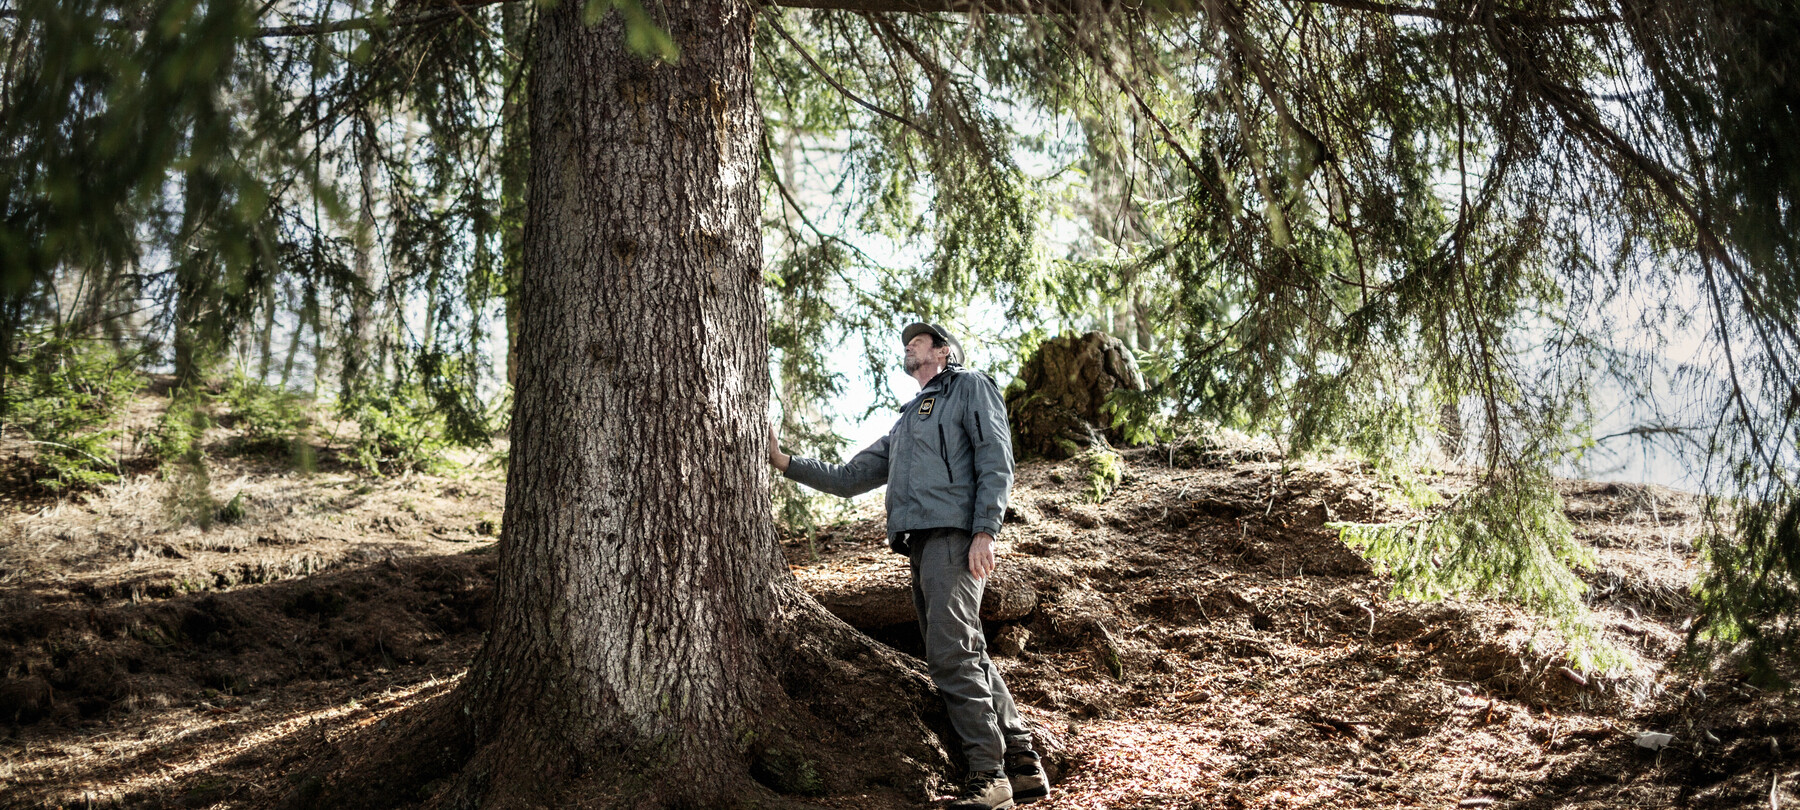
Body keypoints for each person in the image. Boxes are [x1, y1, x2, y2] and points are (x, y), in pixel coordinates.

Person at [767, 322, 1048, 810]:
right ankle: (1023, 763)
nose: (907, 346)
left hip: (955, 537)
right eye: (905, 343)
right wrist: (784, 461)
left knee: (949, 655)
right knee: (968, 651)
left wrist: (985, 530)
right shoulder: (905, 422)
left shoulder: (968, 387)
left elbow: (995, 458)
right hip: (920, 546)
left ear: (942, 351)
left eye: (917, 341)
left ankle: (989, 775)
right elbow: (851, 477)